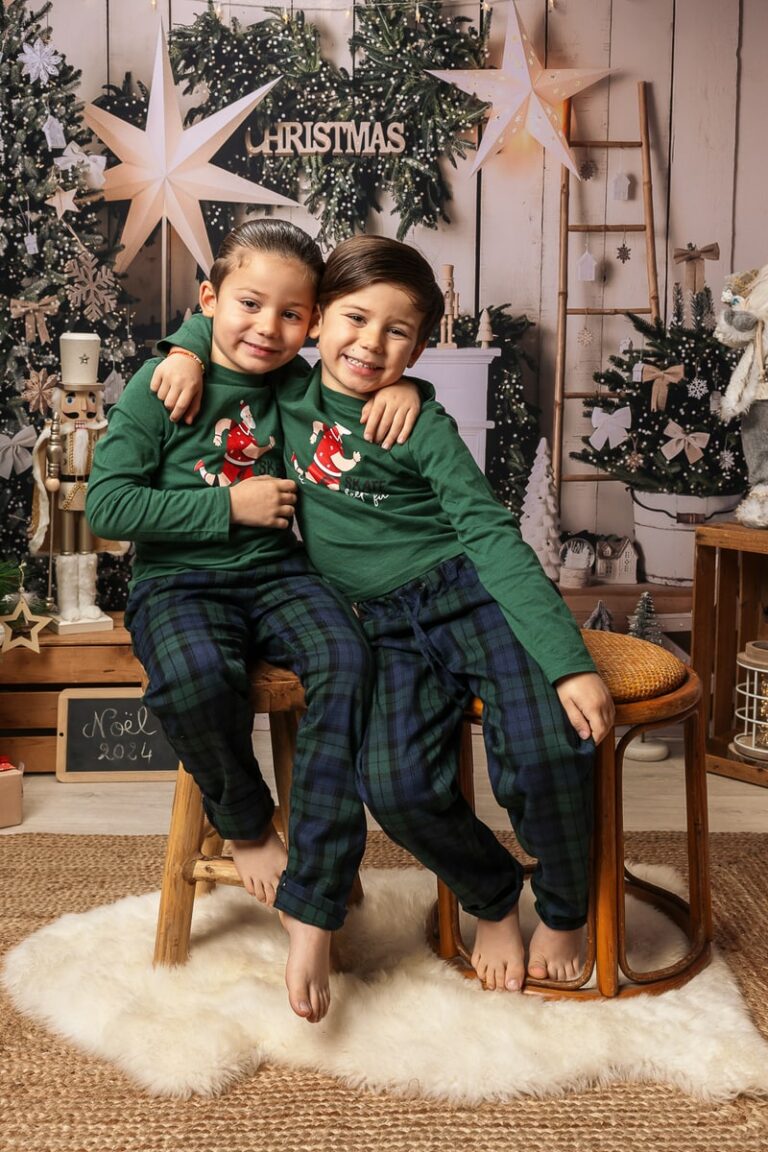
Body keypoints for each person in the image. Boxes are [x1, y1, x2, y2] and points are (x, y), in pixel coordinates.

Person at [156, 235, 615, 995]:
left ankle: (563, 908)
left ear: (422, 345)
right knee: (396, 785)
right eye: (354, 319)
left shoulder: (418, 422)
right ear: (319, 322)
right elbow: (239, 321)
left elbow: (493, 537)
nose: (370, 344)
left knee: (543, 746)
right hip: (373, 621)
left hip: (463, 593)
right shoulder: (284, 395)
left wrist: (569, 664)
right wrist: (182, 349)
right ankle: (494, 894)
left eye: (396, 332)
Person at [85, 220, 421, 1025]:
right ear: (210, 300)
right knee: (198, 677)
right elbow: (106, 507)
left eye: (292, 315)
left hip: (279, 575)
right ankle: (243, 819)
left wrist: (407, 388)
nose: (267, 329)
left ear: (313, 322)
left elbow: (364, 369)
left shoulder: (297, 386)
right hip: (179, 584)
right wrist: (223, 501)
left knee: (349, 656)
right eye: (247, 305)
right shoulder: (164, 385)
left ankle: (315, 900)